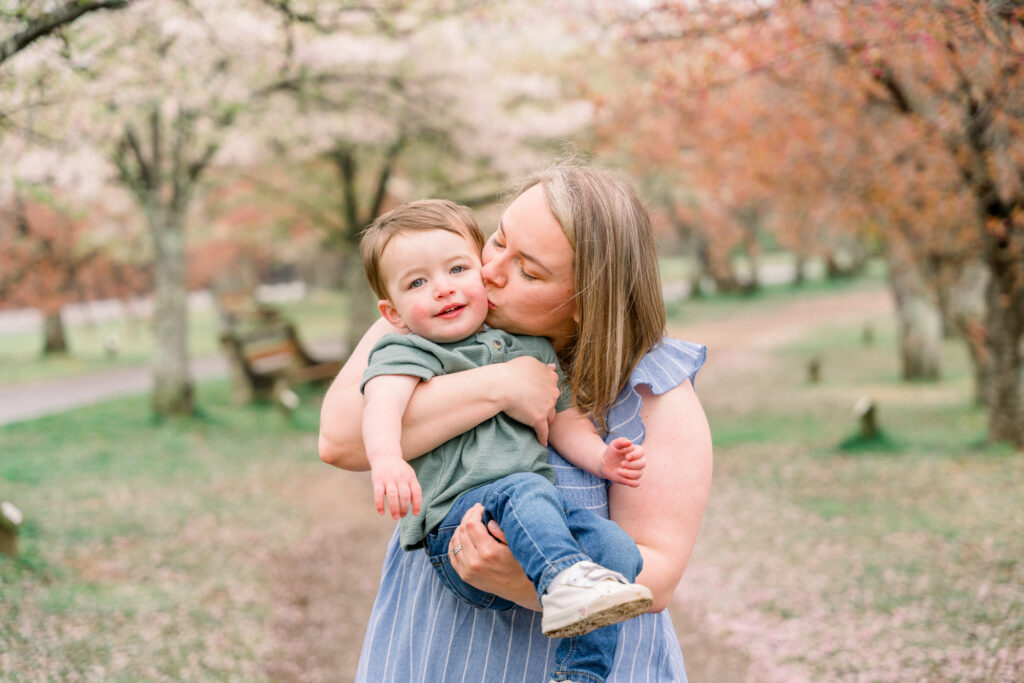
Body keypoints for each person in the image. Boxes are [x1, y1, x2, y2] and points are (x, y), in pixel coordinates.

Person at [319, 162, 712, 682]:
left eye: (528, 271)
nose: (489, 272)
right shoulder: (431, 310)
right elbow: (342, 440)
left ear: (585, 303)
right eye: (497, 240)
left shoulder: (652, 390)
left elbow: (656, 578)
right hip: (434, 655)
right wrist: (503, 386)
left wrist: (526, 580)